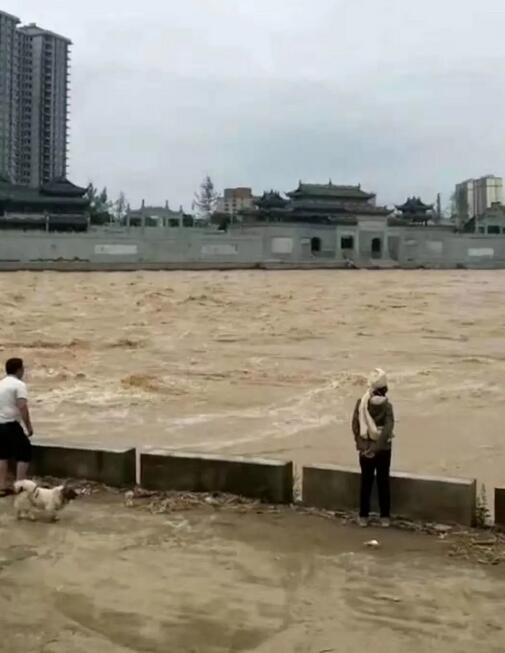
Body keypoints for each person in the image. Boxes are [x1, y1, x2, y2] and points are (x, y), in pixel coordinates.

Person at [352, 368, 394, 527]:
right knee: (383, 481)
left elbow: (356, 427)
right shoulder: (387, 406)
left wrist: (364, 447)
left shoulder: (361, 404)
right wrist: (376, 448)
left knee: (366, 482)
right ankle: (385, 517)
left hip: (365, 449)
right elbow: (388, 429)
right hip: (383, 450)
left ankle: (363, 516)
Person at [0, 358, 33, 497]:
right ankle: (19, 486)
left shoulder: (1, 383)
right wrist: (28, 427)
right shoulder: (19, 385)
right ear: (19, 369)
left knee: (2, 455)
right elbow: (22, 407)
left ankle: (1, 486)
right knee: (25, 452)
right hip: (11, 424)